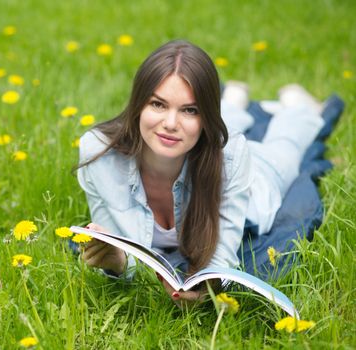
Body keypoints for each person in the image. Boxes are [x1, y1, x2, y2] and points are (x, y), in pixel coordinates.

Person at [75, 40, 325, 304]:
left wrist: (208, 288)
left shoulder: (230, 155)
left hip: (257, 181)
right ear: (138, 105)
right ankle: (233, 101)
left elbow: (222, 260)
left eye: (190, 110)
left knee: (286, 145)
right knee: (208, 124)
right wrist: (118, 262)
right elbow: (118, 243)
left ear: (205, 118)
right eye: (158, 104)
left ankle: (299, 106)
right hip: (204, 138)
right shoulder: (99, 154)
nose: (170, 124)